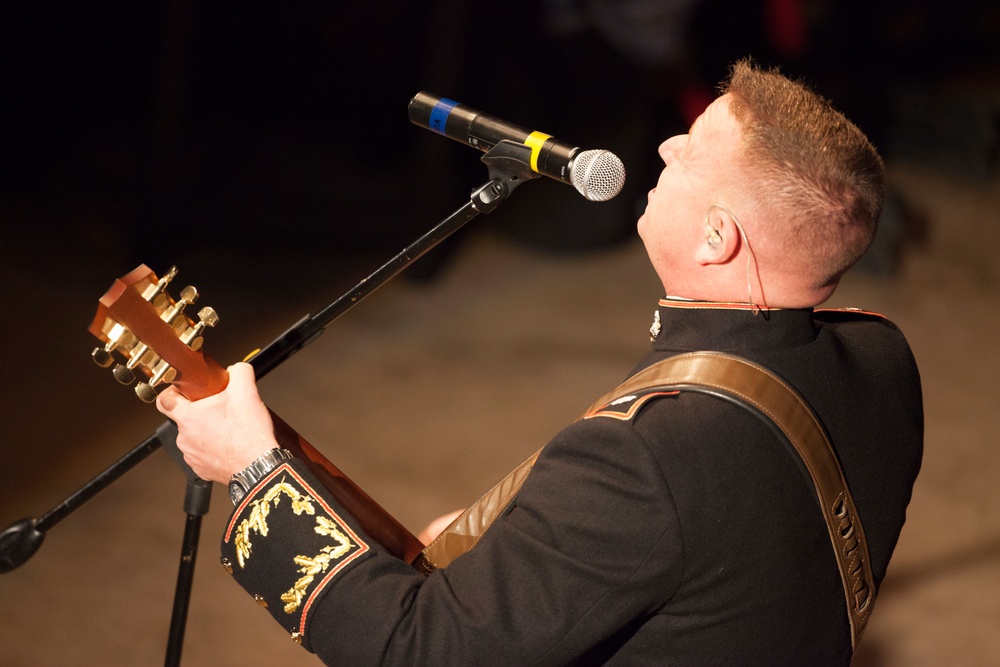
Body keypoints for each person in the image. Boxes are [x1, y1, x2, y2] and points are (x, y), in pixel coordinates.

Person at [157, 59, 923, 665]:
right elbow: (731, 544)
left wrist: (254, 470)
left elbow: (414, 649)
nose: (663, 146)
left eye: (689, 150)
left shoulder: (647, 457)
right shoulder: (885, 357)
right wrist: (534, 551)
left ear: (718, 238)